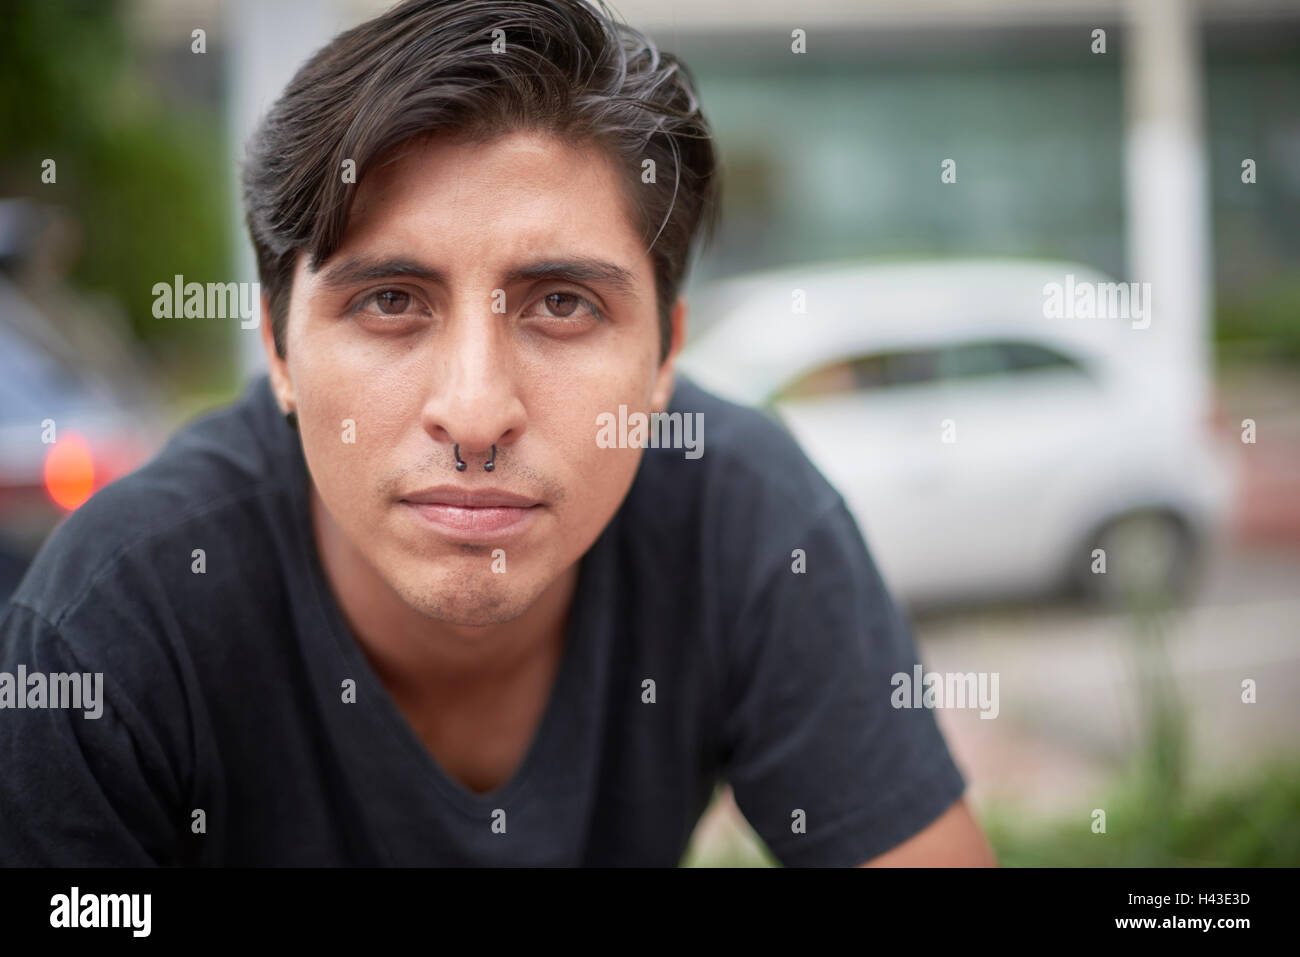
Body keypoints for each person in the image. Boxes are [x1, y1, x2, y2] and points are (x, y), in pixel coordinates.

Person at [0, 0, 995, 867]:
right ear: (280, 350)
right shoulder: (114, 622)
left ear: (663, 362)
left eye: (561, 304)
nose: (475, 413)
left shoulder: (746, 519)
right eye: (390, 298)